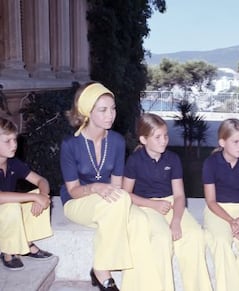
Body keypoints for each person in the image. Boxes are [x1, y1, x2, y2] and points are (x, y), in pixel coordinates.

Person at [60, 82, 161, 291]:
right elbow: (73, 191)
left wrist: (109, 193)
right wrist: (96, 187)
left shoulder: (116, 141)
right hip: (78, 203)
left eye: (113, 108)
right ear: (87, 111)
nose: (111, 115)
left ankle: (138, 285)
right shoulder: (70, 145)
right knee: (123, 203)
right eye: (103, 110)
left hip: (110, 203)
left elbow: (116, 186)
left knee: (141, 221)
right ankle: (102, 271)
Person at [122, 113, 212, 291]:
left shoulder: (173, 159)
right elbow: (126, 194)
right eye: (157, 137)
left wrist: (176, 220)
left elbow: (179, 196)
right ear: (143, 139)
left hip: (171, 203)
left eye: (165, 135)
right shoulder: (134, 161)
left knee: (195, 235)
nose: (164, 141)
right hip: (145, 205)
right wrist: (153, 205)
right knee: (161, 239)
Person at [202, 118, 239, 291]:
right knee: (221, 241)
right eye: (236, 142)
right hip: (217, 210)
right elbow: (210, 201)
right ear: (222, 142)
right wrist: (230, 220)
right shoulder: (211, 164)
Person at [0, 117, 53, 271]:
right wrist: (34, 197)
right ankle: (9, 250)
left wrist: (41, 196)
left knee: (41, 195)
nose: (14, 145)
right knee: (12, 207)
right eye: (7, 141)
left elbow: (42, 181)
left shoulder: (13, 163)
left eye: (15, 140)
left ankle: (25, 242)